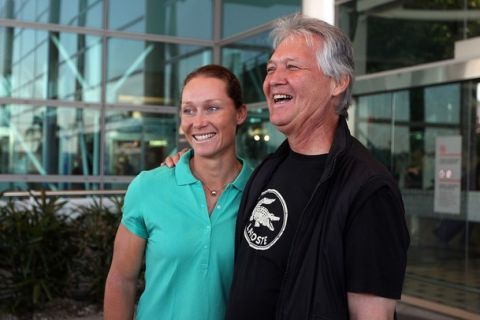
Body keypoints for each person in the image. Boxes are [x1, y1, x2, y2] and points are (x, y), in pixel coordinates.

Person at [223, 14, 410, 319]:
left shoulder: (369, 189)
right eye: (271, 68)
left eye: (292, 67)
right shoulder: (268, 170)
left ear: (337, 82)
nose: (273, 80)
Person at [103, 64, 252, 320]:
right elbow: (121, 280)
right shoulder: (149, 187)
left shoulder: (264, 193)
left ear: (240, 113)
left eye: (212, 108)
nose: (198, 122)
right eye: (188, 110)